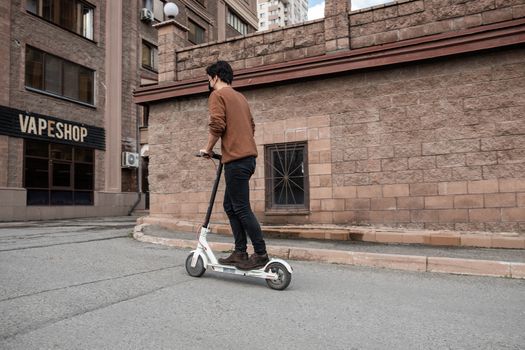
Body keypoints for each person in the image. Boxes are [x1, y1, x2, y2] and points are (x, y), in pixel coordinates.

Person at [200, 61, 269, 270]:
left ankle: (260, 254)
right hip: (246, 160)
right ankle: (240, 252)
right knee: (230, 206)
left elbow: (217, 124)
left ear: (216, 77)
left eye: (209, 78)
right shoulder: (240, 97)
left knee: (240, 207)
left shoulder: (218, 95)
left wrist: (208, 148)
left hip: (237, 161)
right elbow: (251, 126)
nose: (208, 82)